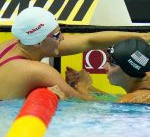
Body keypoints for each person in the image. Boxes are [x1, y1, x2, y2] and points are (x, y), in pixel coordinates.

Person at [0, 6, 150, 100]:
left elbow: (89, 41)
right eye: (57, 35)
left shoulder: (13, 44)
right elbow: (80, 101)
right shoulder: (38, 71)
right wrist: (85, 85)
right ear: (38, 42)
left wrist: (141, 36)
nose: (63, 38)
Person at [66, 38, 150, 103]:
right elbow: (109, 101)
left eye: (111, 64)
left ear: (129, 71)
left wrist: (82, 86)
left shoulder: (132, 99)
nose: (104, 66)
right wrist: (86, 87)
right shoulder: (141, 95)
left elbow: (98, 113)